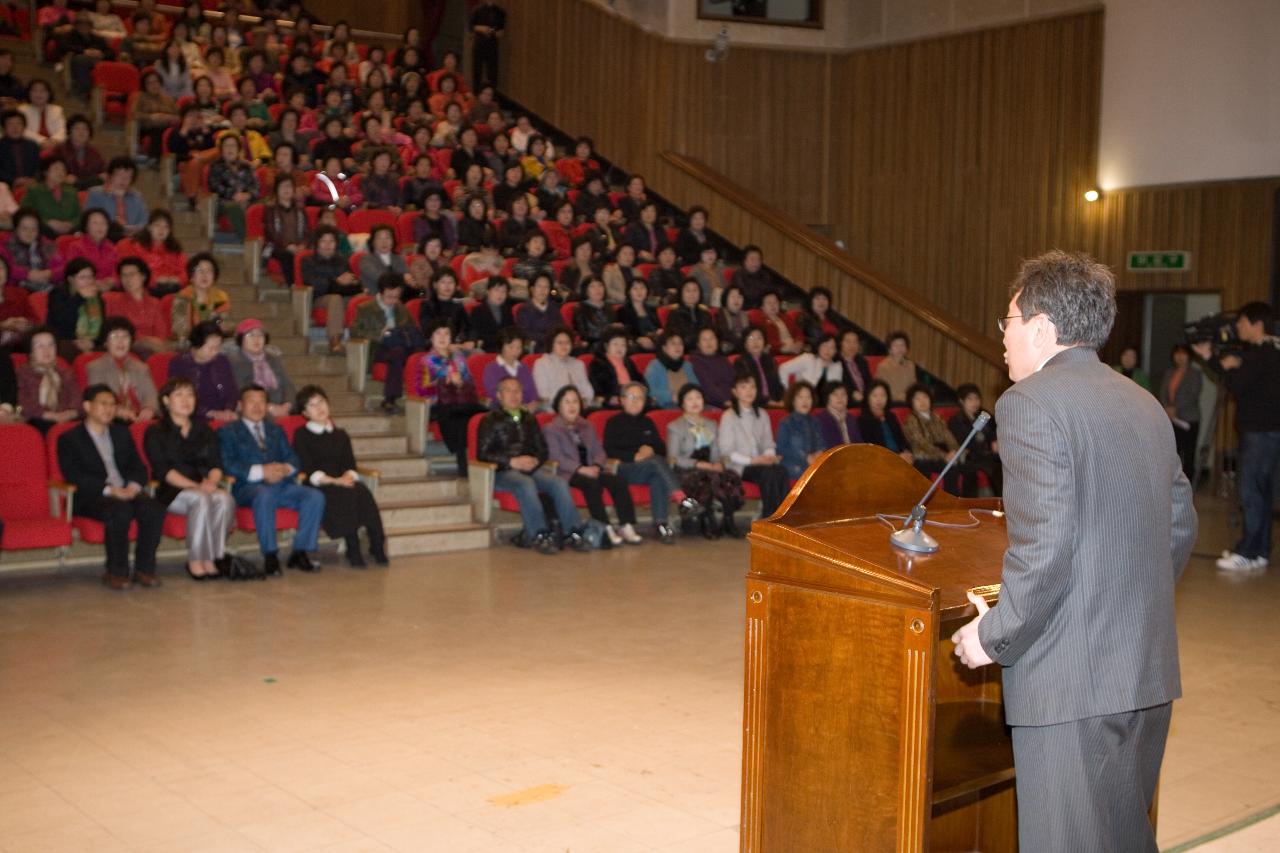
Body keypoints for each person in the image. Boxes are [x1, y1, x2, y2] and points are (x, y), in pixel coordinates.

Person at [952, 250, 1196, 853]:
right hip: (1145, 673)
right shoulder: (1142, 403)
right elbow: (1179, 526)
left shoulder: (1030, 404)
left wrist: (991, 636)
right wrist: (1122, 607)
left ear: (1041, 328)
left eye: (1007, 321)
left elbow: (1046, 549)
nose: (1001, 336)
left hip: (1071, 686)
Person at [1192, 302, 1280, 573]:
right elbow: (1240, 377)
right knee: (1263, 494)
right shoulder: (1272, 349)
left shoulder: (1259, 353)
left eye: (1241, 322)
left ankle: (1247, 551)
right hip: (1271, 431)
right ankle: (1260, 552)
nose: (1237, 327)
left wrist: (1210, 358)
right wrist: (1221, 362)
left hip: (1258, 432)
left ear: (1256, 324)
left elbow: (1236, 384)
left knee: (1251, 493)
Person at [58, 384, 165, 590]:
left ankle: (144, 569)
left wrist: (133, 488)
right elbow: (75, 476)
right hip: (92, 496)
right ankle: (116, 572)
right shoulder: (70, 439)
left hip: (125, 491)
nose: (109, 409)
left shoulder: (121, 433)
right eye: (103, 404)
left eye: (112, 404)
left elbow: (138, 467)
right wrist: (111, 490)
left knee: (153, 508)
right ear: (87, 406)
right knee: (119, 510)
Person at [219, 384, 326, 575]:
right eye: (251, 401)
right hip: (247, 488)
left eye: (262, 401)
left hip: (281, 484)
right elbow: (228, 464)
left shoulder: (275, 429)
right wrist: (262, 471)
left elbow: (293, 458)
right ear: (240, 405)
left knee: (314, 496)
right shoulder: (228, 431)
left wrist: (285, 468)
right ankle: (270, 555)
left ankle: (301, 551)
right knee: (264, 494)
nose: (257, 406)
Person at [477, 376, 587, 555]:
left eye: (518, 391)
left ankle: (572, 531)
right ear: (499, 395)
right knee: (525, 484)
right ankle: (539, 534)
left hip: (530, 468)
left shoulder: (530, 419)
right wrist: (511, 461)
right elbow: (483, 453)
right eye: (508, 390)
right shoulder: (489, 420)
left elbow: (542, 449)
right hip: (502, 471)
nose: (514, 395)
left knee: (558, 482)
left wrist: (536, 460)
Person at [144, 377, 236, 580]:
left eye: (190, 394)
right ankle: (195, 559)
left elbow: (215, 464)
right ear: (166, 400)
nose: (186, 399)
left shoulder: (204, 429)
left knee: (225, 498)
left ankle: (212, 556)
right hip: (171, 490)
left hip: (203, 484)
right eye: (179, 394)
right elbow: (164, 472)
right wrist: (197, 486)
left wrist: (211, 482)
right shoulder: (156, 432)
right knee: (200, 498)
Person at [292, 385, 388, 568]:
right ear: (304, 413)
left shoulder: (340, 434)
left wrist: (348, 477)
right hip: (318, 483)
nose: (319, 408)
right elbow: (307, 468)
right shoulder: (301, 435)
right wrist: (335, 481)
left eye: (321, 402)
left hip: (342, 480)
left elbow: (350, 464)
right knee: (345, 495)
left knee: (363, 493)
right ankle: (353, 548)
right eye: (312, 405)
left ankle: (377, 545)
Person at [544, 385, 641, 547]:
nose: (572, 406)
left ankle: (626, 525)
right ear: (558, 406)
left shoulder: (587, 426)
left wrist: (596, 465)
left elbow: (599, 450)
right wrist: (581, 469)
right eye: (566, 402)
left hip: (592, 468)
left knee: (618, 481)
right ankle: (605, 527)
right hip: (568, 472)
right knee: (592, 484)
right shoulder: (551, 429)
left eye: (575, 401)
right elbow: (556, 457)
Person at [604, 382, 697, 544]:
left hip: (647, 468)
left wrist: (652, 450)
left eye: (640, 398)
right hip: (623, 468)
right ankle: (681, 499)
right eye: (631, 397)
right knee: (656, 464)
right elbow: (609, 450)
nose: (636, 401)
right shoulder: (613, 422)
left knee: (657, 475)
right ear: (622, 400)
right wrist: (633, 456)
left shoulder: (647, 422)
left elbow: (661, 447)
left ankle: (660, 524)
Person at [410, 320, 487, 475]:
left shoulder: (458, 357)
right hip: (440, 405)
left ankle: (485, 468)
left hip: (464, 403)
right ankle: (465, 471)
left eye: (446, 333)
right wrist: (443, 382)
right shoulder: (426, 361)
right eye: (438, 333)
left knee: (484, 417)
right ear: (431, 337)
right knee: (461, 424)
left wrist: (460, 383)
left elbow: (470, 383)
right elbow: (420, 391)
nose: (443, 337)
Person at [667, 384, 744, 537]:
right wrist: (699, 464)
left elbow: (717, 452)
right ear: (682, 403)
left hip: (710, 467)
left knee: (731, 477)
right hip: (687, 469)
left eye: (698, 398)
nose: (695, 402)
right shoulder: (675, 426)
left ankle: (728, 519)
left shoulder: (711, 424)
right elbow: (674, 458)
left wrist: (719, 464)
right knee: (707, 478)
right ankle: (707, 519)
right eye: (690, 399)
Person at [350, 274, 423, 415]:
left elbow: (413, 328)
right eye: (389, 296)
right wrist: (379, 333)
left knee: (418, 352)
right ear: (380, 292)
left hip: (401, 344)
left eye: (396, 297)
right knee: (398, 352)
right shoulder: (365, 308)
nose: (393, 301)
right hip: (377, 347)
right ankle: (390, 398)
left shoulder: (401, 308)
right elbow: (355, 333)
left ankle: (422, 396)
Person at [718, 373, 788, 518]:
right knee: (768, 473)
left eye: (752, 387)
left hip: (760, 463)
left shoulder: (762, 414)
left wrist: (769, 457)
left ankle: (781, 517)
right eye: (743, 387)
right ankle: (769, 518)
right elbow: (726, 451)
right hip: (739, 465)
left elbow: (768, 442)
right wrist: (754, 461)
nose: (749, 391)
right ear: (735, 392)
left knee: (780, 470)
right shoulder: (728, 416)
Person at [902, 382, 972, 496]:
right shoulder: (911, 420)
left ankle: (966, 502)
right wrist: (944, 456)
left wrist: (955, 451)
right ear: (911, 402)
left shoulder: (936, 417)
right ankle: (950, 502)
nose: (922, 401)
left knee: (968, 466)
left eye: (925, 397)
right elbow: (922, 444)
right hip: (922, 456)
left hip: (941, 454)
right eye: (917, 399)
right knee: (951, 468)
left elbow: (948, 436)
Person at [301, 226, 363, 354]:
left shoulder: (341, 260)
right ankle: (334, 341)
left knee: (361, 300)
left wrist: (353, 282)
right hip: (318, 297)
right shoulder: (308, 261)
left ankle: (360, 339)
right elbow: (313, 284)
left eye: (331, 241)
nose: (328, 245)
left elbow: (352, 283)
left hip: (342, 295)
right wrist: (337, 282)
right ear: (317, 243)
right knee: (335, 299)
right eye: (324, 241)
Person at [86, 317, 157, 422]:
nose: (121, 342)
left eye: (125, 337)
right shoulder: (95, 367)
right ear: (106, 342)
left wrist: (149, 409)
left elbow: (151, 395)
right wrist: (117, 411)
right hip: (111, 418)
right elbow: (98, 399)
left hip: (140, 418)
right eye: (115, 337)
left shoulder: (141, 367)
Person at [167, 321, 238, 421]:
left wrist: (228, 409)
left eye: (218, 347)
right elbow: (178, 396)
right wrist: (210, 413)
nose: (215, 352)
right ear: (196, 345)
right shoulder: (179, 363)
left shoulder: (222, 361)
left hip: (223, 414)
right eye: (211, 348)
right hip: (193, 415)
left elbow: (232, 391)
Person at [16, 327, 80, 433]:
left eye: (51, 345)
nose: (47, 350)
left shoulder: (65, 373)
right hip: (37, 420)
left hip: (66, 419)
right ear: (31, 352)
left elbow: (77, 399)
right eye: (40, 346)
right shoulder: (22, 373)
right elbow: (23, 403)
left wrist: (70, 413)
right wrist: (50, 415)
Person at [228, 319, 295, 419]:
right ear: (240, 339)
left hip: (280, 410)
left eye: (260, 335)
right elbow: (236, 393)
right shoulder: (232, 362)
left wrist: (287, 406)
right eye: (251, 335)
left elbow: (288, 386)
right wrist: (268, 408)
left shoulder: (273, 359)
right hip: (251, 411)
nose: (256, 339)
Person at [1157, 345, 1202, 484]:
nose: (1180, 357)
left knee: (1188, 453)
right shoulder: (1169, 372)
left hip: (1189, 419)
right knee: (1172, 451)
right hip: (1171, 418)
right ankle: (1172, 483)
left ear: (1189, 356)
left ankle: (1188, 484)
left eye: (1183, 354)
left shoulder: (1195, 373)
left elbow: (1193, 395)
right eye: (1177, 353)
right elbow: (1163, 392)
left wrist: (1175, 407)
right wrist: (1167, 407)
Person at [949, 383, 1002, 497]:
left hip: (986, 454)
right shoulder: (956, 420)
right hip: (970, 457)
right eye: (970, 399)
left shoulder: (982, 416)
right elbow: (965, 443)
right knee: (994, 467)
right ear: (962, 401)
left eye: (977, 398)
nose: (975, 402)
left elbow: (993, 431)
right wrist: (987, 447)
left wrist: (994, 440)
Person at [47, 257, 104, 359]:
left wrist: (93, 342)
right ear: (70, 279)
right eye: (82, 277)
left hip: (91, 341)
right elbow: (60, 320)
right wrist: (79, 298)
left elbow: (102, 325)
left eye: (90, 277)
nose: (88, 282)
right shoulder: (58, 293)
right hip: (66, 340)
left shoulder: (97, 297)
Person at [111, 258, 170, 356]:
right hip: (130, 345)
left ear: (143, 276)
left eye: (132, 274)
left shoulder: (154, 302)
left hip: (156, 345)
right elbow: (120, 330)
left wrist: (157, 343)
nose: (128, 279)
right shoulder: (116, 302)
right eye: (124, 275)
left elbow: (162, 331)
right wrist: (145, 340)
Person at [206, 135, 257, 240]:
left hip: (246, 199)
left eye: (233, 146)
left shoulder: (246, 167)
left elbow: (255, 186)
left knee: (263, 205)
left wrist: (248, 195)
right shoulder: (215, 166)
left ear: (238, 150)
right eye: (226, 146)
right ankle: (249, 241)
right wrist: (234, 195)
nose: (230, 149)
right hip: (223, 202)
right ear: (221, 150)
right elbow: (215, 186)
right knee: (232, 206)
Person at [84, 157, 147, 239]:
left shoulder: (137, 197)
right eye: (119, 175)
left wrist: (135, 228)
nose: (123, 180)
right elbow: (88, 221)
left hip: (132, 239)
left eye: (128, 177)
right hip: (104, 237)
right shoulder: (95, 194)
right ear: (110, 176)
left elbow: (145, 221)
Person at [3, 208, 64, 292]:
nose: (29, 232)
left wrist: (50, 274)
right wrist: (27, 275)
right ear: (16, 228)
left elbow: (63, 267)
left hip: (48, 286)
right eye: (24, 228)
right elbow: (5, 268)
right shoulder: (5, 243)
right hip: (17, 289)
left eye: (34, 229)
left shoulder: (47, 244)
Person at [262, 176, 308, 287]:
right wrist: (287, 245)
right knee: (288, 256)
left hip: (298, 246)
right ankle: (294, 286)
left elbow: (307, 232)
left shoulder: (300, 210)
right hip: (276, 247)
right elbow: (271, 233)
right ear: (276, 190)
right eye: (282, 187)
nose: (286, 190)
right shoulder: (271, 210)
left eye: (289, 186)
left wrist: (303, 245)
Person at [170, 253, 229, 340]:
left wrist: (221, 325)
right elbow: (180, 329)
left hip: (214, 341)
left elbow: (221, 321)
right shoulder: (182, 298)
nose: (205, 275)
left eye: (209, 271)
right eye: (200, 271)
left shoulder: (220, 297)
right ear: (192, 277)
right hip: (189, 341)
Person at [533, 326, 594, 409]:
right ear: (552, 344)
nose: (564, 346)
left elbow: (588, 391)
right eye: (560, 343)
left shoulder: (578, 364)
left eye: (567, 342)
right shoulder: (542, 364)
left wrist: (582, 401)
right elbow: (543, 394)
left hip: (580, 409)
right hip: (553, 408)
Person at [777, 381, 824, 481]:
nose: (805, 401)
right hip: (793, 465)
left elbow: (822, 445)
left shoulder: (815, 422)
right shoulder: (786, 423)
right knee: (812, 477)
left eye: (808, 397)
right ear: (793, 400)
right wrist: (806, 458)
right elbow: (781, 450)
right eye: (800, 397)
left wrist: (818, 454)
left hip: (814, 464)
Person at [857, 380, 913, 464]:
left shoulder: (891, 416)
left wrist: (908, 452)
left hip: (900, 457)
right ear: (868, 398)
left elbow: (902, 439)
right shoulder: (863, 420)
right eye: (875, 395)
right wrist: (897, 457)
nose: (879, 399)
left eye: (883, 395)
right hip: (881, 461)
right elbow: (871, 449)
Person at [588, 326, 644, 409]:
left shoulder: (629, 363)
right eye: (615, 344)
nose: (619, 348)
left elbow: (641, 381)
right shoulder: (598, 364)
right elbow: (599, 389)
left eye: (623, 345)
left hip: (632, 398)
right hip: (612, 402)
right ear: (606, 346)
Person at [481, 327, 538, 408]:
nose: (515, 351)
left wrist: (532, 405)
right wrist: (518, 407)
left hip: (526, 409)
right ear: (501, 346)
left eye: (519, 348)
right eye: (511, 347)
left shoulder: (524, 369)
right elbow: (495, 396)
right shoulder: (491, 369)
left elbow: (533, 394)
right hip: (502, 410)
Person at [24, 157, 80, 237]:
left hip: (70, 233)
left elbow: (79, 216)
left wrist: (71, 224)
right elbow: (26, 214)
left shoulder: (72, 192)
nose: (60, 172)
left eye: (63, 170)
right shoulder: (34, 191)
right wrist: (47, 222)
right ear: (46, 172)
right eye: (56, 169)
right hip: (43, 233)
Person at [644, 330, 699, 409]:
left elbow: (696, 386)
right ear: (664, 348)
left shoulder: (687, 365)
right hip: (667, 406)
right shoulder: (655, 366)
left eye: (680, 343)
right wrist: (672, 397)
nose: (678, 346)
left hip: (690, 404)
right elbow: (650, 391)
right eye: (673, 343)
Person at [735, 326, 784, 406]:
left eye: (759, 338)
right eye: (751, 338)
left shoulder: (770, 360)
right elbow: (746, 389)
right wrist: (768, 402)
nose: (756, 342)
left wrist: (783, 399)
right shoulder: (741, 362)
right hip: (754, 404)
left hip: (775, 403)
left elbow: (778, 385)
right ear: (745, 344)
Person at [688, 327, 735, 410]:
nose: (709, 342)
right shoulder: (695, 361)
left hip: (732, 401)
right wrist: (725, 401)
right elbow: (708, 387)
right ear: (698, 344)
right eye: (704, 340)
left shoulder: (723, 359)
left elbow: (735, 380)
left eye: (712, 338)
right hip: (712, 404)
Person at [663, 279, 714, 350]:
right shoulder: (674, 314)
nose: (692, 294)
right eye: (688, 291)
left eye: (695, 290)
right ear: (681, 294)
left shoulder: (705, 314)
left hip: (705, 350)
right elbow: (675, 338)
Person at [470, 276, 516, 353]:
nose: (500, 294)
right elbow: (476, 336)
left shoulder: (507, 310)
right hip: (486, 349)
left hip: (506, 349)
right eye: (496, 290)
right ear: (488, 291)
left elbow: (511, 331)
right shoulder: (477, 311)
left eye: (504, 291)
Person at [813, 382, 862, 450]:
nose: (840, 398)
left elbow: (859, 444)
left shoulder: (851, 419)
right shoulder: (820, 419)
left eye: (843, 394)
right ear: (827, 397)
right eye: (835, 394)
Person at [874, 331, 919, 402]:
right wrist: (898, 397)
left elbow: (913, 386)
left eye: (902, 345)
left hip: (908, 401)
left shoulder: (911, 365)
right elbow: (880, 390)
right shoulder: (883, 366)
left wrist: (909, 395)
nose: (899, 348)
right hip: (891, 402)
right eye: (895, 345)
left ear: (906, 348)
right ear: (889, 349)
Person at [758, 291, 804, 356]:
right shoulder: (761, 321)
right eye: (769, 302)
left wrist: (799, 343)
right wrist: (782, 347)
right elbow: (766, 342)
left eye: (775, 302)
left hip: (795, 352)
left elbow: (798, 332)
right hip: (778, 355)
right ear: (762, 307)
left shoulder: (785, 318)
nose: (773, 305)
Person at [836, 328, 873, 404]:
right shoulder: (836, 362)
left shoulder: (862, 361)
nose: (852, 345)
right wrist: (852, 393)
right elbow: (837, 385)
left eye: (855, 342)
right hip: (847, 400)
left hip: (865, 399)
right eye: (848, 341)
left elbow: (869, 382)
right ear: (840, 343)